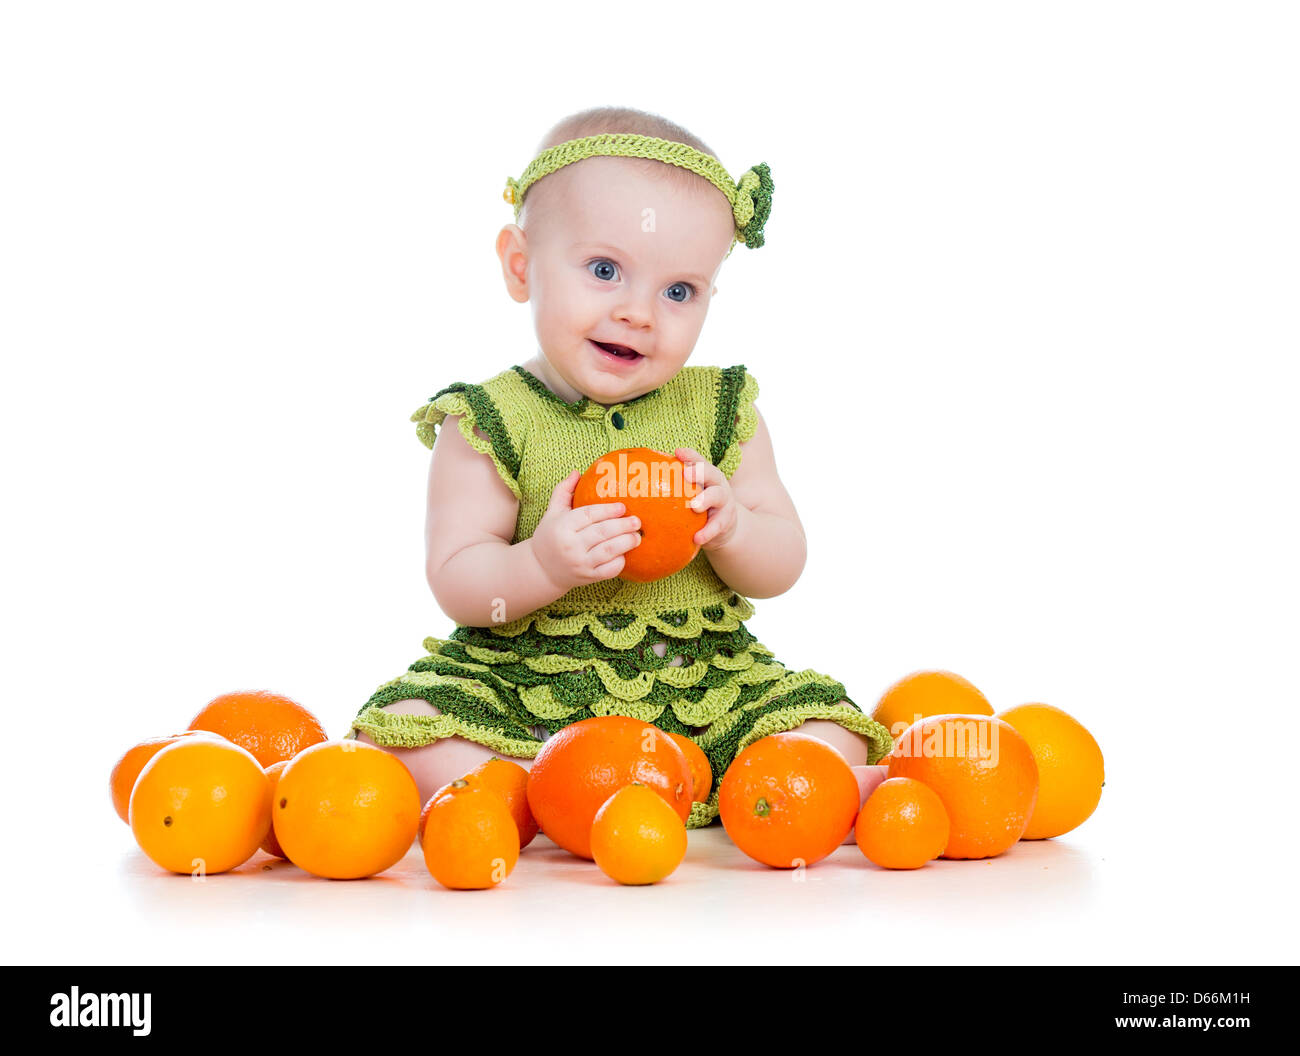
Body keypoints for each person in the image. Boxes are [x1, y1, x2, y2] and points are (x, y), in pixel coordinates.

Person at [348, 106, 891, 828]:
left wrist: (734, 530)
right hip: (528, 677)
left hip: (698, 673)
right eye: (605, 271)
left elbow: (784, 563)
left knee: (834, 727)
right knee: (406, 730)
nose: (640, 312)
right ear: (521, 266)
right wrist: (543, 564)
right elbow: (459, 580)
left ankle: (761, 786)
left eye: (679, 292)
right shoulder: (489, 419)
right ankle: (544, 788)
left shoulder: (723, 411)